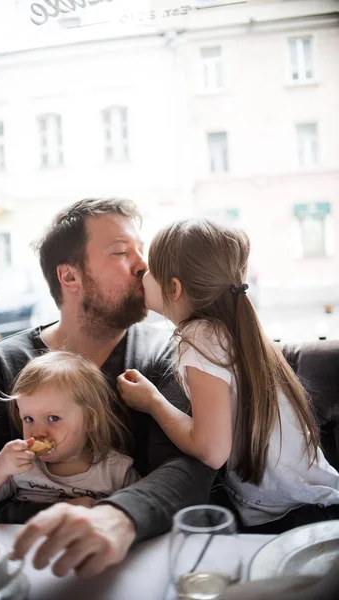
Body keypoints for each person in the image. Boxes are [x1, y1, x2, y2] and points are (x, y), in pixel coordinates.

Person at [0, 198, 215, 578]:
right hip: (23, 567)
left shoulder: (164, 354)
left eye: (141, 251)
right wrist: (72, 517)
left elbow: (188, 470)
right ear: (70, 277)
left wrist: (118, 517)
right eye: (121, 252)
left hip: (139, 566)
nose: (143, 266)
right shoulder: (2, 365)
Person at [117, 218, 339, 534]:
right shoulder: (229, 329)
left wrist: (152, 401)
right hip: (314, 504)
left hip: (293, 519)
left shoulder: (200, 337)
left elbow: (211, 450)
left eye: (151, 269)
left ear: (175, 288)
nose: (142, 273)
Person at [0, 351, 139, 512]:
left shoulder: (117, 471)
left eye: (53, 418)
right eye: (29, 419)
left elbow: (141, 513)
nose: (38, 432)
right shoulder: (17, 464)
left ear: (90, 421)